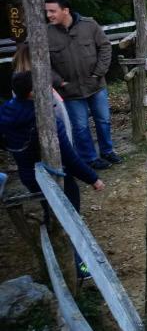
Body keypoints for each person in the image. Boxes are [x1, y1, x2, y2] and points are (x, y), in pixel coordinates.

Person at [1, 71, 105, 279]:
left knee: (51, 212)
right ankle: (77, 266)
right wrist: (93, 178)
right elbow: (69, 158)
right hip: (56, 178)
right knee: (69, 217)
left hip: (29, 176)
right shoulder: (45, 118)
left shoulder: (5, 112)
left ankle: (65, 256)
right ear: (33, 92)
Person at [44, 0, 121, 170]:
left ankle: (107, 151)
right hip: (69, 91)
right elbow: (41, 63)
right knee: (80, 126)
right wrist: (59, 82)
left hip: (96, 85)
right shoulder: (45, 34)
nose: (49, 15)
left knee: (104, 120)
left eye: (52, 11)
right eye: (47, 11)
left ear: (65, 10)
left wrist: (98, 74)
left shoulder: (89, 25)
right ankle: (89, 159)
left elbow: (105, 47)